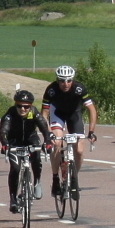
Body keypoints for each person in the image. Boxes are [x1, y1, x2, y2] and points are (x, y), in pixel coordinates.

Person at [42, 63, 99, 204]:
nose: (65, 84)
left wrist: (91, 131)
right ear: (57, 80)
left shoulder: (79, 88)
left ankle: (74, 178)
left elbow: (92, 110)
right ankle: (55, 179)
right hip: (57, 114)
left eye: (69, 80)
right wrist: (48, 133)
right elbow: (44, 114)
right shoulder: (51, 90)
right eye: (62, 81)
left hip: (74, 114)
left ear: (72, 80)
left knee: (79, 150)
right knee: (57, 143)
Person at [0, 89, 52, 214]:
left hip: (31, 139)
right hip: (14, 142)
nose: (22, 109)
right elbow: (3, 131)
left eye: (26, 107)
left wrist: (47, 141)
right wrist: (5, 144)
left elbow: (44, 128)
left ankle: (37, 182)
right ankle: (13, 199)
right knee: (15, 168)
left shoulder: (34, 113)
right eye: (19, 106)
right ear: (15, 105)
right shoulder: (10, 114)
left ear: (31, 106)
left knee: (37, 158)